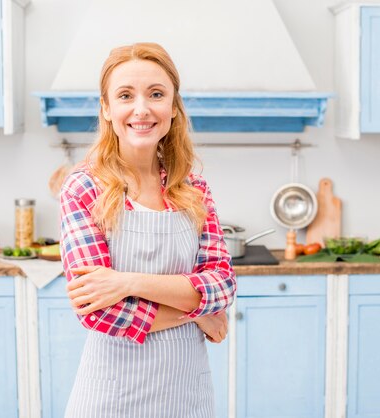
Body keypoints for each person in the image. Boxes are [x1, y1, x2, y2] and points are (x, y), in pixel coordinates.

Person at [59, 42, 236, 418]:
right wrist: (198, 311)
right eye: (125, 95)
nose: (142, 109)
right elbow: (99, 313)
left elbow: (222, 285)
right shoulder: (83, 188)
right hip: (111, 398)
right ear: (107, 108)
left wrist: (127, 283)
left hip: (187, 397)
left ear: (173, 107)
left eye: (156, 94)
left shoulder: (194, 190)